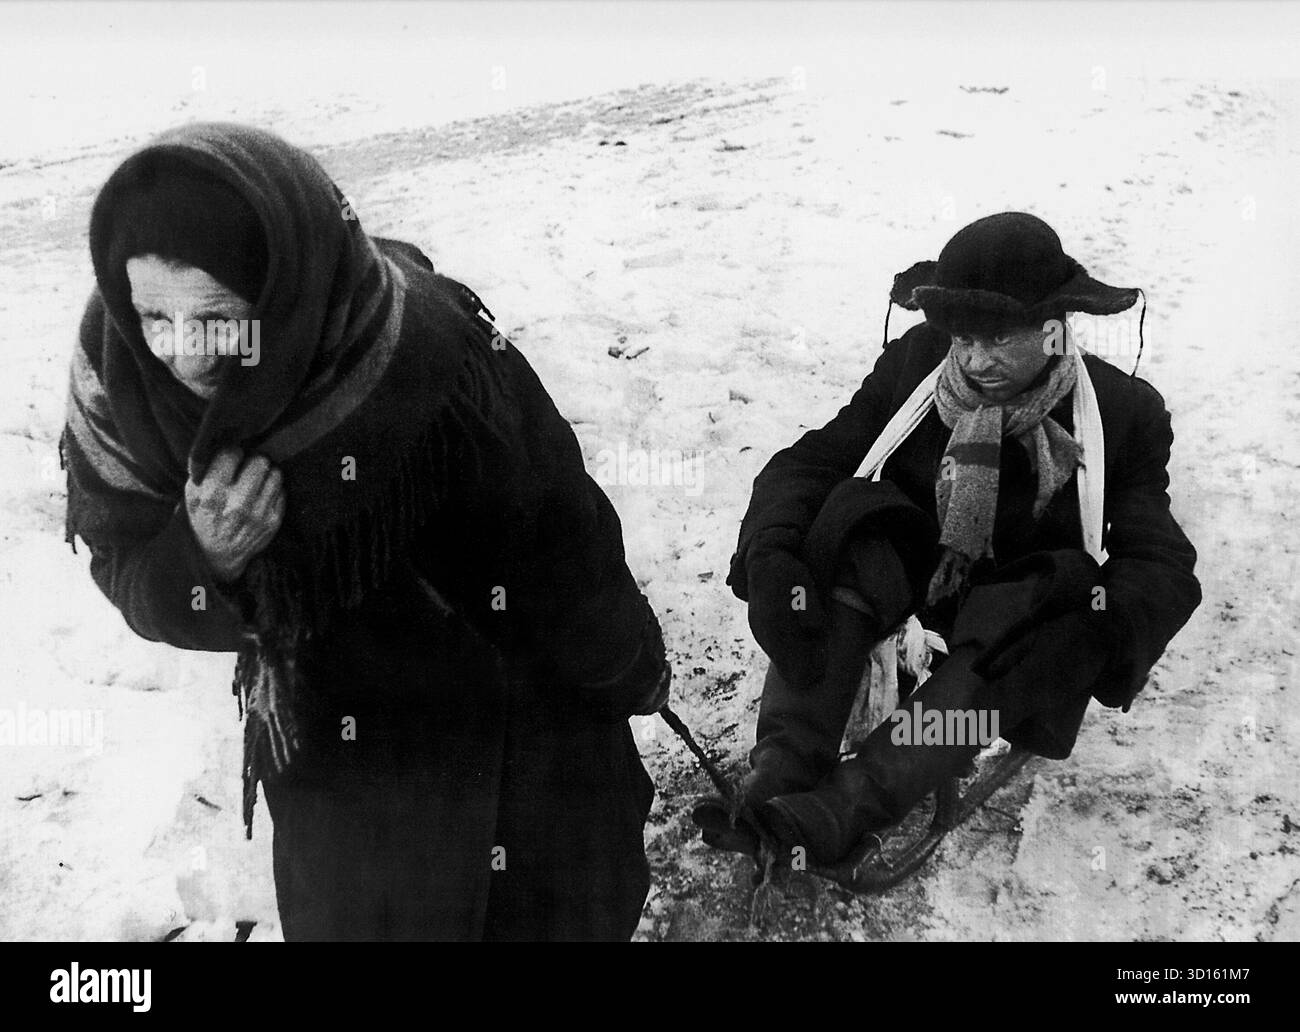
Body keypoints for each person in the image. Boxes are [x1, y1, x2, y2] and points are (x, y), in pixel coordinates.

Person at [61, 122, 671, 940]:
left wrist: (625, 662)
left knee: (540, 903)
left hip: (501, 707)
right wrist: (204, 560)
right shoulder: (118, 379)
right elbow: (129, 567)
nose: (183, 354)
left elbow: (557, 530)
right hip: (329, 743)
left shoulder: (427, 353)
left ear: (281, 281)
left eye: (214, 316)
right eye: (154, 316)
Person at [694, 212, 1201, 866]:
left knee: (1055, 605)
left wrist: (1104, 628)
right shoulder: (916, 365)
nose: (973, 360)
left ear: (1053, 330)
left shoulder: (1124, 413)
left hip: (1009, 618)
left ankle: (842, 808)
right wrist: (773, 552)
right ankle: (784, 766)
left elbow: (1158, 559)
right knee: (848, 518)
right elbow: (815, 461)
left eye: (997, 340)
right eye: (962, 338)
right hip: (909, 566)